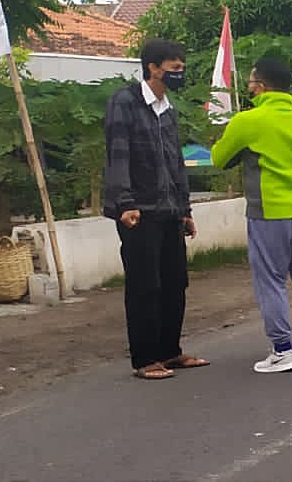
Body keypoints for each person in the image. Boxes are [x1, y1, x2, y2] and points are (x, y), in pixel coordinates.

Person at [211, 59, 292, 373]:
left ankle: (282, 350)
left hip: (268, 214)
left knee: (272, 282)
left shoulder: (247, 121)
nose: (249, 88)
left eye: (251, 83)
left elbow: (219, 158)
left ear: (261, 85)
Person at [103, 38, 208, 380]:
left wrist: (185, 208)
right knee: (144, 285)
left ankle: (170, 352)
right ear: (153, 67)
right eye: (175, 68)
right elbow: (118, 154)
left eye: (181, 68)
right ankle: (145, 359)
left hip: (169, 210)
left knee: (175, 282)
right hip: (138, 211)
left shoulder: (168, 109)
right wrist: (125, 203)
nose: (180, 73)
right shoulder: (125, 103)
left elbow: (176, 162)